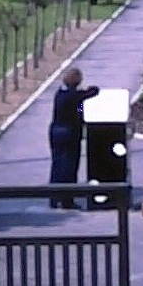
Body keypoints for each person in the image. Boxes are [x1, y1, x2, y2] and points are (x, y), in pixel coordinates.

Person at [48, 67, 95, 208]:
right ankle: (67, 199)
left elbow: (80, 107)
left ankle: (54, 197)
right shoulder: (74, 95)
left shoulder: (60, 94)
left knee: (57, 165)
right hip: (69, 132)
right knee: (70, 166)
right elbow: (93, 92)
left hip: (56, 131)